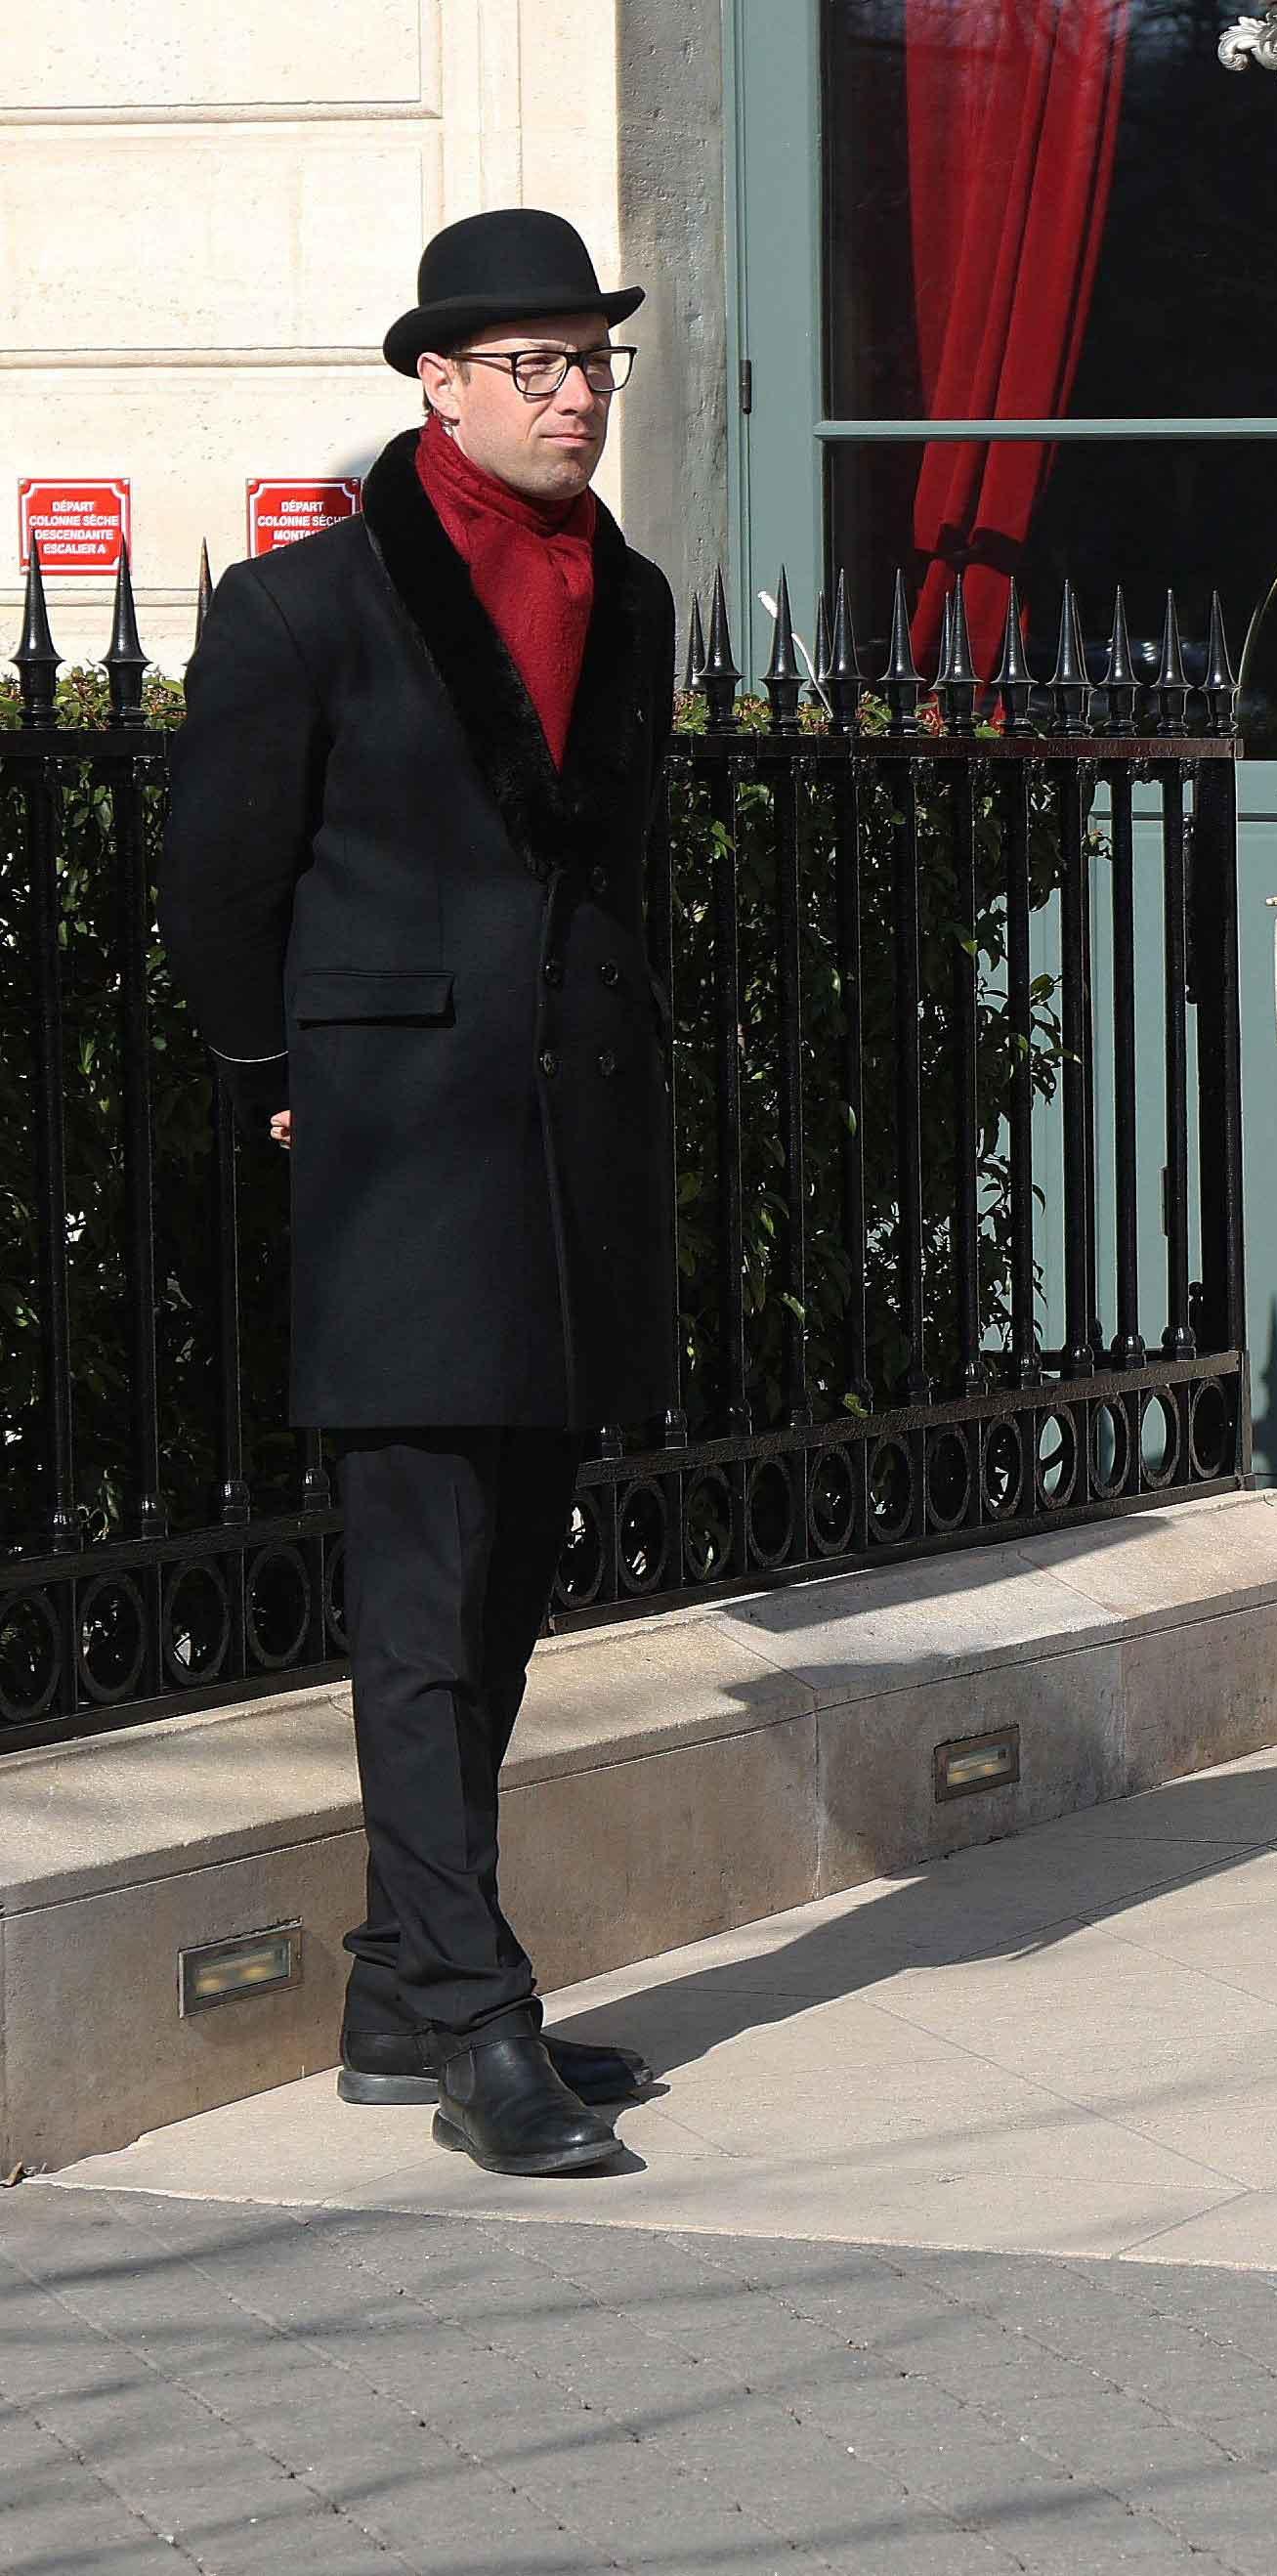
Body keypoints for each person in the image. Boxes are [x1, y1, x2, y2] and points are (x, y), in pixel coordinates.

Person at [159, 209, 680, 2172]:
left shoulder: (626, 598)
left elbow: (607, 877)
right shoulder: (304, 609)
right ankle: (473, 2016)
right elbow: (218, 881)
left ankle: (403, 1985)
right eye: (534, 365)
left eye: (594, 362)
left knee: (510, 1581)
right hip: (395, 1152)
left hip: (567, 1154)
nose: (576, 397)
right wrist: (276, 1084)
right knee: (417, 1603)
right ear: (438, 383)